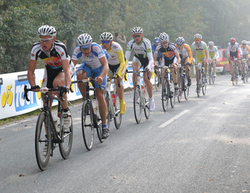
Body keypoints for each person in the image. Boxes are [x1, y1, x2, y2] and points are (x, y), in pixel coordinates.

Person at [27, 25, 74, 128]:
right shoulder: (36, 48)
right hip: (50, 69)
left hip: (64, 68)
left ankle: (65, 112)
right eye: (41, 40)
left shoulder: (60, 47)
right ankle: (49, 137)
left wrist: (67, 86)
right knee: (45, 101)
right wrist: (33, 85)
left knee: (57, 84)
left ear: (53, 39)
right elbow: (30, 71)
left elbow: (66, 70)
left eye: (47, 40)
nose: (44, 43)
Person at [71, 33, 109, 139]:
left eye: (87, 48)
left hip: (99, 68)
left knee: (99, 94)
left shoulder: (96, 48)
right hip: (88, 66)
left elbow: (105, 65)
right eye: (83, 49)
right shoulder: (77, 51)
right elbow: (71, 67)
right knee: (79, 76)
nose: (86, 51)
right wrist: (67, 78)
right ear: (80, 48)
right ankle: (86, 101)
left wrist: (101, 76)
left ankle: (104, 126)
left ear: (91, 45)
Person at [125, 27, 155, 111]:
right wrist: (125, 68)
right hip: (137, 58)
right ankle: (137, 92)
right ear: (132, 37)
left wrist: (148, 67)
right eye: (135, 36)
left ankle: (151, 99)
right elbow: (126, 58)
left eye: (138, 36)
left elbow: (151, 59)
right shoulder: (131, 43)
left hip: (147, 60)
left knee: (146, 79)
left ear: (142, 35)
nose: (137, 38)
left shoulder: (146, 43)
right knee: (135, 71)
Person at [100, 32, 127, 115]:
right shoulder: (100, 48)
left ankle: (122, 101)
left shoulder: (117, 47)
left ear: (111, 42)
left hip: (119, 65)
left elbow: (122, 61)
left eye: (106, 42)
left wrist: (119, 74)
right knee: (105, 84)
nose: (104, 44)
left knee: (116, 81)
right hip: (108, 67)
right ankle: (107, 105)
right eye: (103, 42)